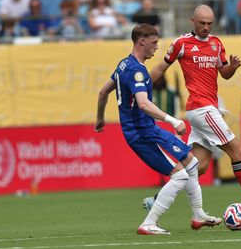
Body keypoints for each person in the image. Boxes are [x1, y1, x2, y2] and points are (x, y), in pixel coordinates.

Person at [149, 5, 241, 216]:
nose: (205, 28)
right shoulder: (181, 44)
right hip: (201, 108)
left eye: (209, 24)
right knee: (237, 151)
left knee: (198, 166)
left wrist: (233, 67)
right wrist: (142, 90)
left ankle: (156, 199)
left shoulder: (216, 44)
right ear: (192, 20)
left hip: (206, 109)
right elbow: (161, 68)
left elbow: (224, 74)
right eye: (202, 23)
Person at [94, 23, 220, 235]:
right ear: (141, 41)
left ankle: (198, 215)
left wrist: (99, 118)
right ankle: (148, 223)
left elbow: (103, 92)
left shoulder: (123, 64)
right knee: (179, 175)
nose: (156, 46)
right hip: (141, 133)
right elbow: (143, 103)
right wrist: (172, 120)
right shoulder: (136, 71)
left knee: (192, 162)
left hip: (147, 129)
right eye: (153, 42)